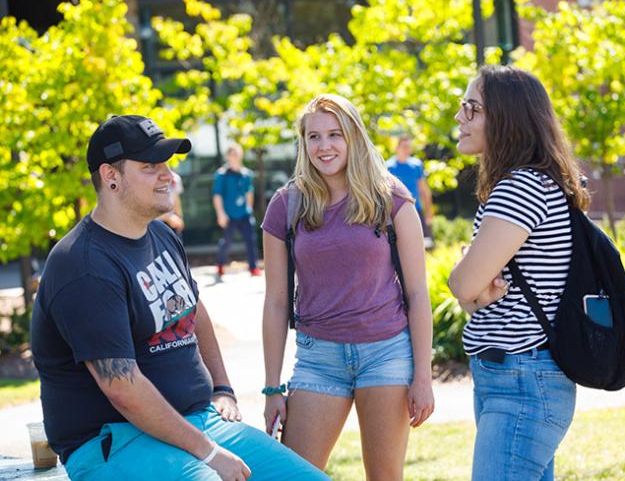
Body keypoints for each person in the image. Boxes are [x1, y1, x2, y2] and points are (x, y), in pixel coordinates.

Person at [30, 115, 329, 481]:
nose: (168, 176)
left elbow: (194, 311)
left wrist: (222, 389)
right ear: (111, 177)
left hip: (198, 422)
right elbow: (122, 388)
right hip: (115, 443)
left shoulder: (161, 235)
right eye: (150, 166)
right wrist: (209, 453)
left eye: (166, 165)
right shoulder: (84, 265)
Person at [261, 94, 435, 480]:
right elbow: (275, 301)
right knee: (289, 475)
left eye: (335, 135)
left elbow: (418, 295)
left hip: (386, 354)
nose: (324, 146)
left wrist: (422, 377)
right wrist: (272, 388)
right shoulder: (286, 205)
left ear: (353, 137)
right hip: (318, 360)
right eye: (314, 137)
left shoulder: (391, 199)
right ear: (303, 143)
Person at [448, 66, 590, 481]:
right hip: (512, 376)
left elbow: (462, 284)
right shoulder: (527, 185)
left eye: (472, 109)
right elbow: (470, 291)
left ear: (507, 119)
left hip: (523, 380)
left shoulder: (521, 187)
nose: (460, 118)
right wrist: (472, 286)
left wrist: (470, 282)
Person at [212, 143, 261, 278]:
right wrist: (220, 214)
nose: (235, 156)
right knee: (227, 242)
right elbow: (217, 195)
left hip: (244, 214)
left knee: (251, 240)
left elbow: (249, 192)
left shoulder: (246, 174)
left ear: (241, 155)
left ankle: (253, 267)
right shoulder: (222, 175)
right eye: (232, 154)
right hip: (228, 215)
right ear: (228, 156)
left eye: (237, 153)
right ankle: (220, 265)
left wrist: (249, 209)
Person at [386, 135, 433, 241]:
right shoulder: (388, 167)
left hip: (416, 209)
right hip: (397, 212)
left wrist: (429, 211)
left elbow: (423, 190)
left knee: (425, 242)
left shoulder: (416, 165)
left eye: (409, 147)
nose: (407, 150)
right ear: (397, 148)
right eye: (404, 147)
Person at [157, 170, 184, 239]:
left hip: (173, 222)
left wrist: (179, 217)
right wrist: (169, 219)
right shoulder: (153, 178)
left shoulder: (175, 178)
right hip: (157, 221)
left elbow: (176, 198)